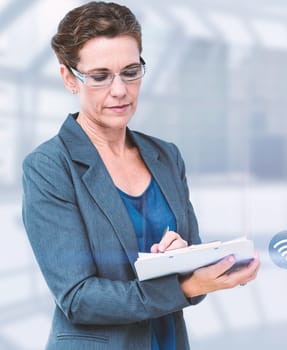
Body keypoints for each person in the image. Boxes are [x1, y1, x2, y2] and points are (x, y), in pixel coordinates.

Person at [21, 2, 260, 349]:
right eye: (100, 76)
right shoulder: (48, 167)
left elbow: (192, 269)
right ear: (69, 78)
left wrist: (195, 262)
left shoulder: (165, 156)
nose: (120, 90)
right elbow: (77, 297)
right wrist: (184, 286)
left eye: (131, 72)